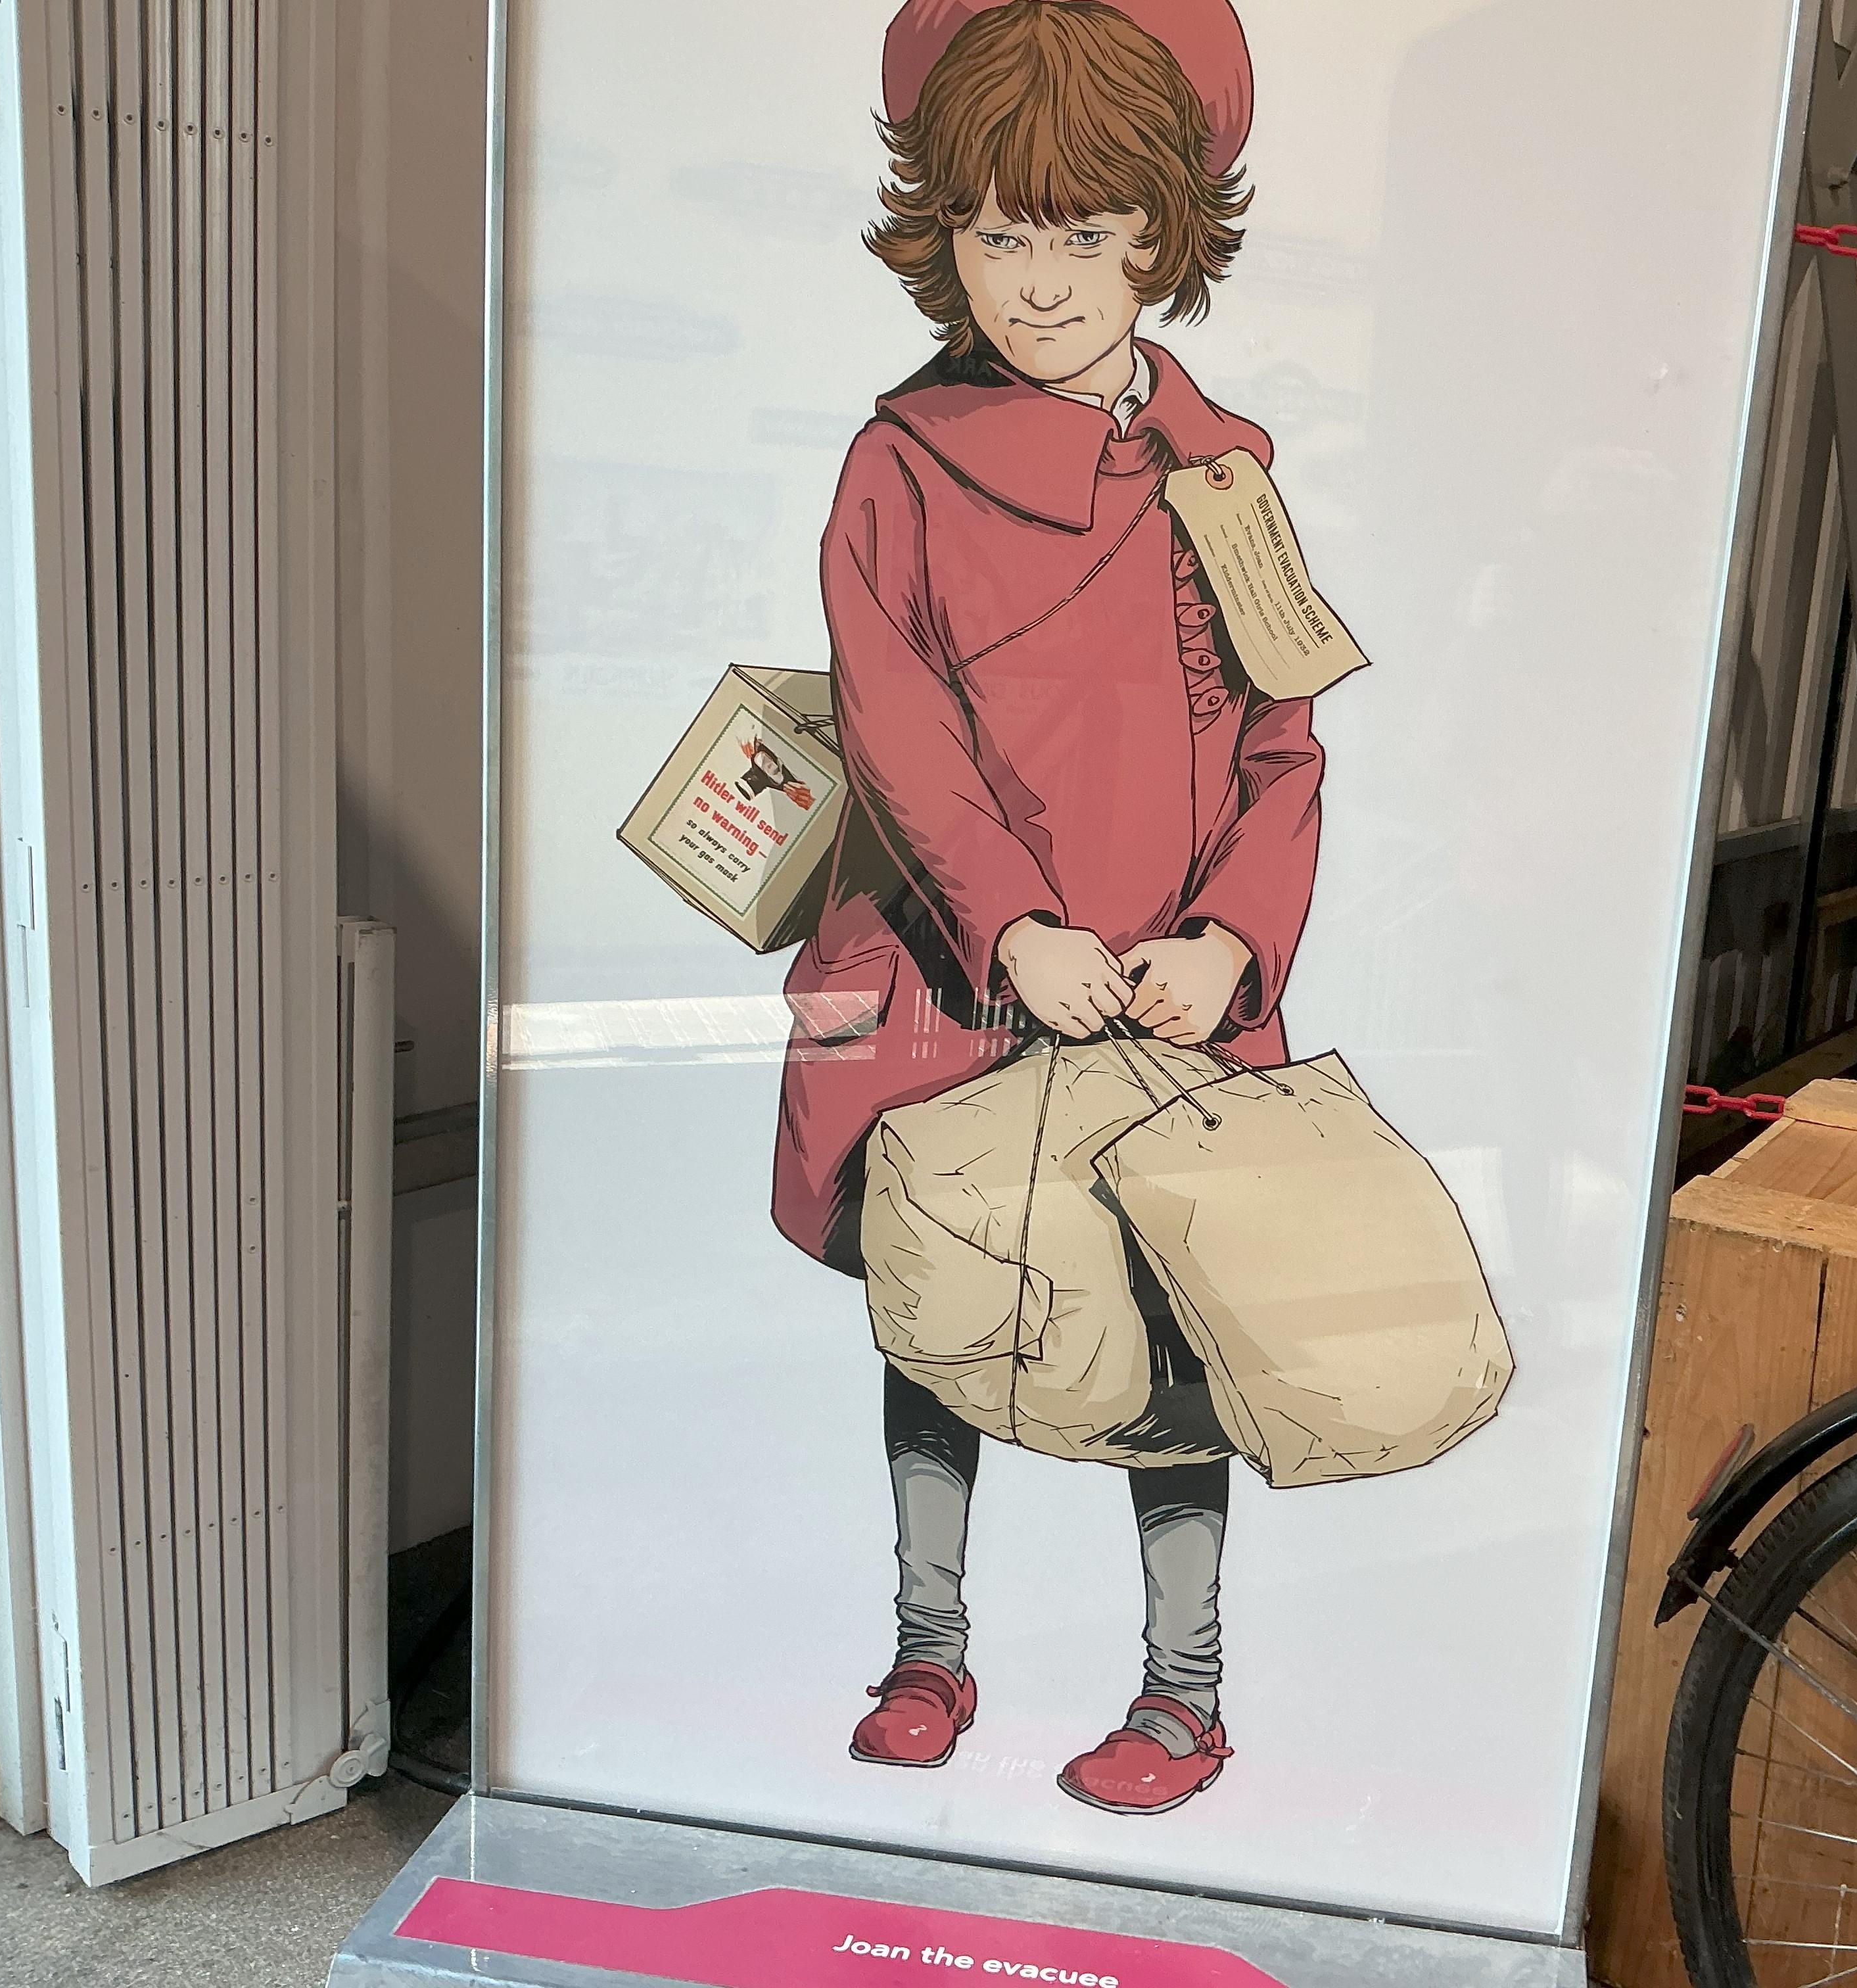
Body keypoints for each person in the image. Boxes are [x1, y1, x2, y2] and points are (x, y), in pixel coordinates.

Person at [769, 0, 1319, 1817]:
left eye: (1087, 232)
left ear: (1165, 232)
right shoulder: (898, 465)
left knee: (1177, 1332)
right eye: (1002, 234)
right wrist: (1013, 928)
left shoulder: (1223, 470)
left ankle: (1185, 1693)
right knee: (940, 1310)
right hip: (952, 975)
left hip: (1172, 990)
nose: (1042, 281)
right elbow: (898, 731)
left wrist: (1230, 940)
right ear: (946, 233)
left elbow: (1285, 747)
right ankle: (928, 1650)